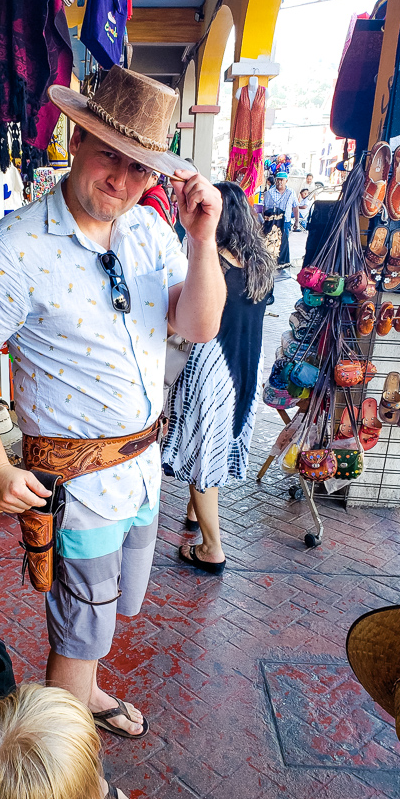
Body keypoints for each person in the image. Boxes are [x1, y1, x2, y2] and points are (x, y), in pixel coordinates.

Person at [0, 66, 224, 799]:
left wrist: (203, 241)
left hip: (140, 474)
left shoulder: (153, 230)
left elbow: (195, 326)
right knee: (77, 629)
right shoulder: (16, 247)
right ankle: (73, 786)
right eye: (110, 154)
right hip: (77, 487)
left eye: (141, 165)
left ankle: (87, 690)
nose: (123, 179)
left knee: (105, 617)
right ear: (77, 135)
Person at [162, 181, 274, 574]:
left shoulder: (213, 264)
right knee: (216, 444)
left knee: (201, 451)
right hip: (245, 368)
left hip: (211, 369)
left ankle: (212, 548)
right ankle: (195, 515)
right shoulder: (261, 264)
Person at [263, 170, 297, 267]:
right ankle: (271, 262)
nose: (279, 182)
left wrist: (297, 221)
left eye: (282, 180)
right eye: (278, 180)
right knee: (271, 241)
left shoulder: (291, 192)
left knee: (284, 241)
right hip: (272, 221)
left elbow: (295, 207)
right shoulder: (269, 193)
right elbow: (265, 208)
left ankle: (283, 262)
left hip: (285, 221)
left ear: (286, 181)